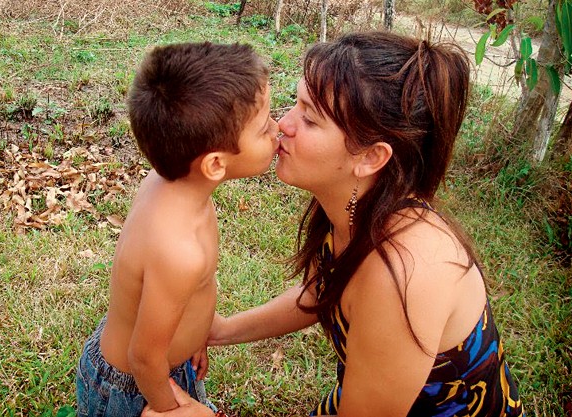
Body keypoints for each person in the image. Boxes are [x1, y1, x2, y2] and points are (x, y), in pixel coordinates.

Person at [145, 31, 525, 417]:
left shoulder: (405, 276)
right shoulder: (359, 206)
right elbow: (318, 294)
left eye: (309, 118)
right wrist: (221, 330)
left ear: (371, 157)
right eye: (295, 104)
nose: (282, 125)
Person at [76, 41, 279, 417]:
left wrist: (195, 334)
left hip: (168, 362)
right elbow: (143, 357)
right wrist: (170, 410)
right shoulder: (178, 251)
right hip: (137, 388)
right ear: (215, 164)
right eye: (265, 127)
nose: (278, 129)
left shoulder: (173, 182)